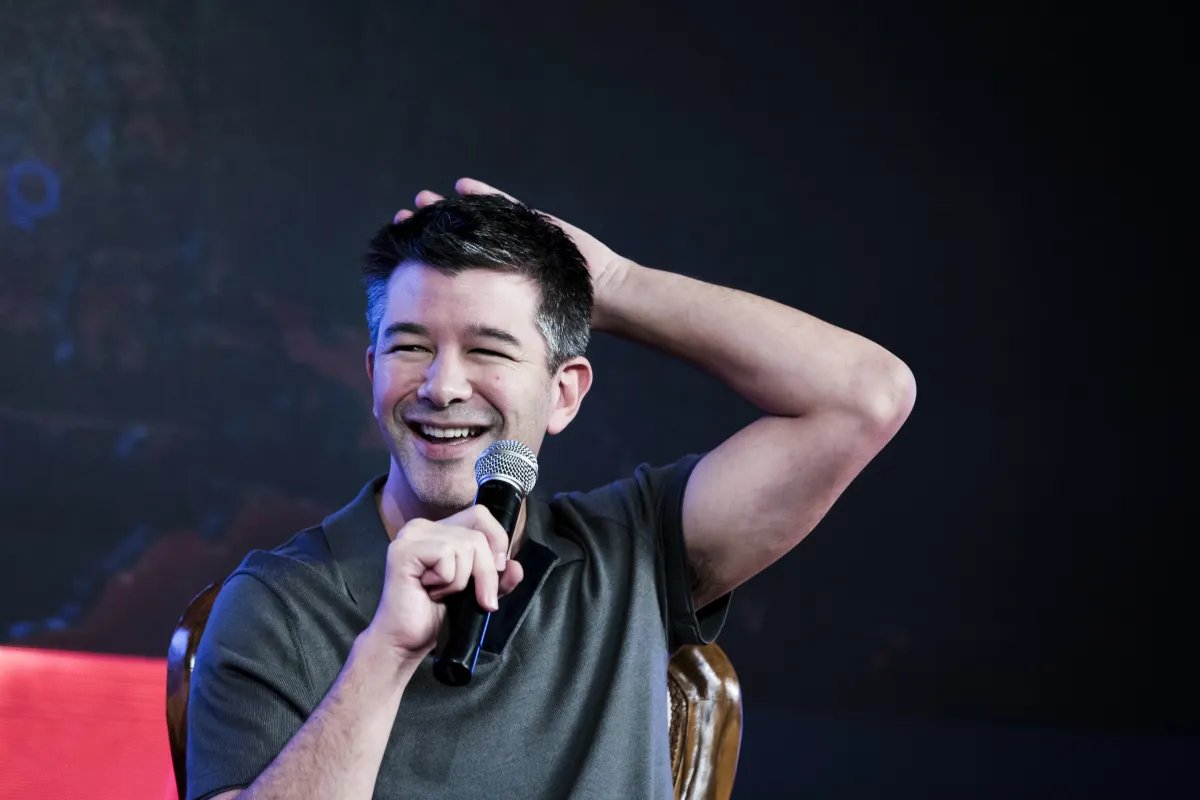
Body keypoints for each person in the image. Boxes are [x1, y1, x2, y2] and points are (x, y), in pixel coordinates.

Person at [186, 178, 916, 800]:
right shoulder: (274, 604)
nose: (442, 386)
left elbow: (866, 396)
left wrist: (616, 284)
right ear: (373, 370)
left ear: (564, 394)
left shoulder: (632, 547)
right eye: (410, 346)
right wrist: (384, 653)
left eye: (488, 350)